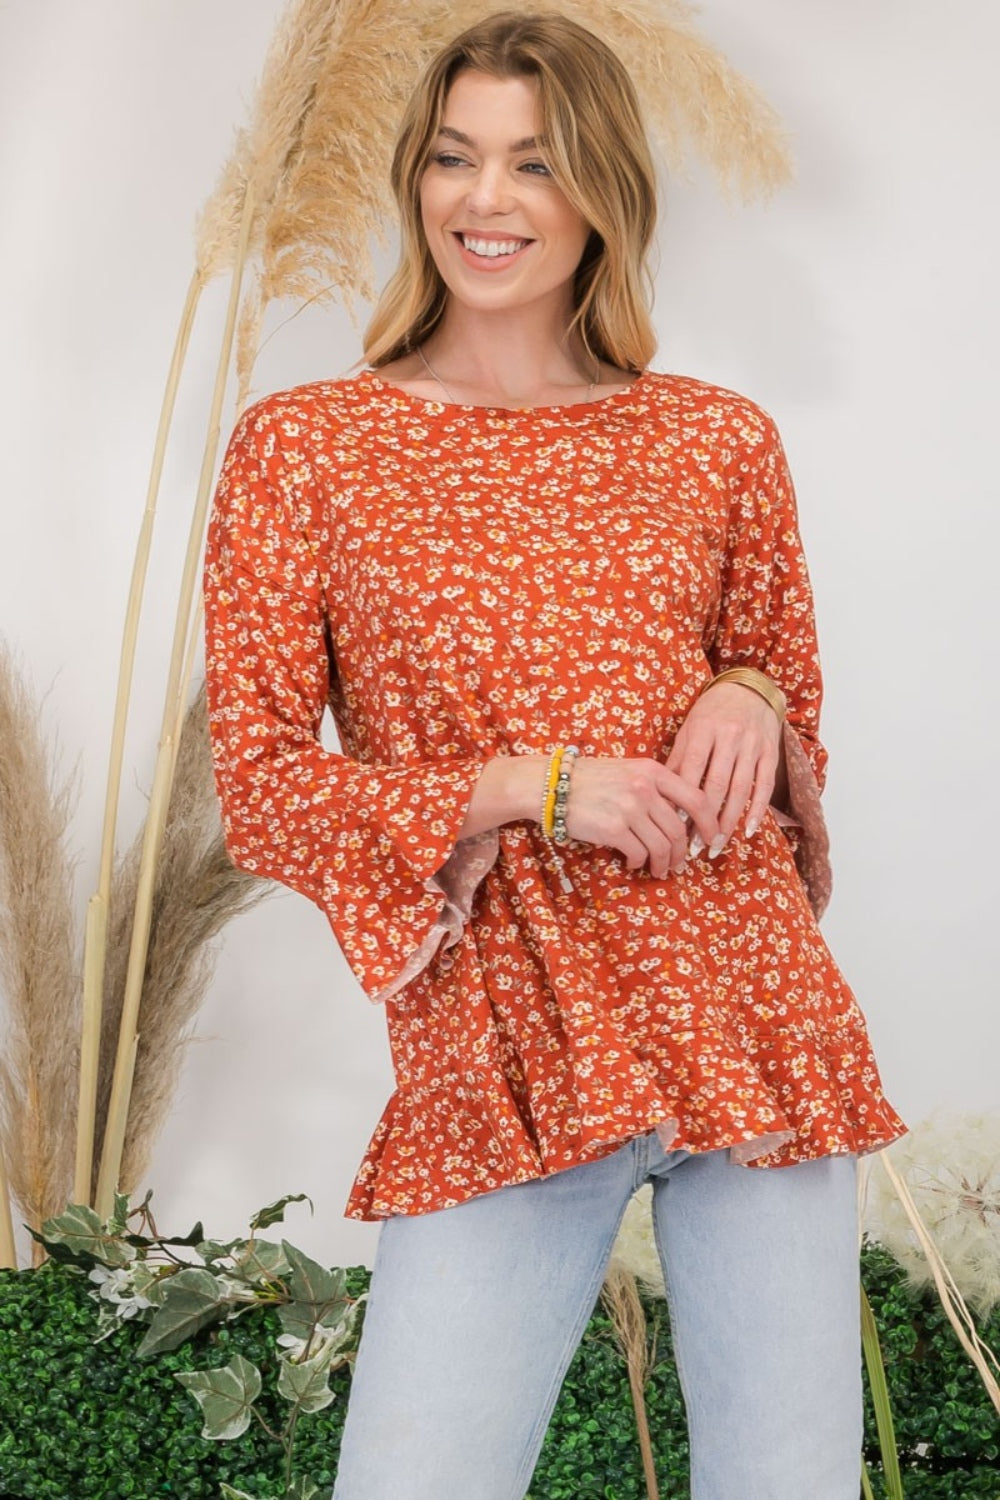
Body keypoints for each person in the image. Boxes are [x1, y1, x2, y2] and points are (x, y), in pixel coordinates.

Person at [203, 11, 905, 1498]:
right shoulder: (306, 448)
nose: (487, 198)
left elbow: (786, 692)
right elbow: (258, 788)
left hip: (752, 1013)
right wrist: (535, 788)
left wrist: (751, 695)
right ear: (415, 178)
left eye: (535, 163)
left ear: (603, 195)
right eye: (454, 157)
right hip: (506, 1045)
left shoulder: (715, 439)